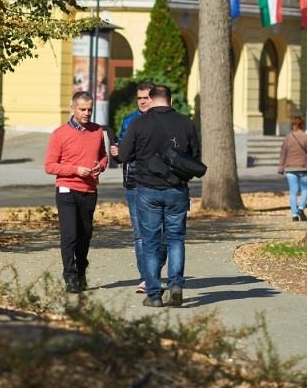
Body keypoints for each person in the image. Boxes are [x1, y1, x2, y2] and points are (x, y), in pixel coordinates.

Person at [117, 85, 200, 308]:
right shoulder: (186, 123)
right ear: (170, 101)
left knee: (151, 242)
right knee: (175, 239)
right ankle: (175, 283)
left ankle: (153, 294)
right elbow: (195, 158)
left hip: (147, 190)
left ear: (151, 101)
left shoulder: (139, 123)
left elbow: (124, 155)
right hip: (177, 189)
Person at [44, 91, 109, 293]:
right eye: (82, 109)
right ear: (73, 108)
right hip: (66, 190)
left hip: (89, 190)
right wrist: (75, 170)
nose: (87, 113)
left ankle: (81, 273)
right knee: (69, 235)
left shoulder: (97, 131)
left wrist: (101, 166)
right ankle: (70, 277)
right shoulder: (60, 134)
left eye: (90, 109)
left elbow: (104, 156)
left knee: (85, 235)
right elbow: (49, 166)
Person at [110, 81, 157, 294]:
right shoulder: (129, 120)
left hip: (157, 184)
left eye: (146, 97)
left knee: (159, 233)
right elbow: (122, 151)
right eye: (140, 98)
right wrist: (116, 151)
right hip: (134, 183)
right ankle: (146, 277)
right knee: (139, 233)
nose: (143, 101)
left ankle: (154, 272)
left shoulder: (162, 120)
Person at [277, 116, 307, 222]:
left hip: (291, 168)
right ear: (303, 125)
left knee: (293, 191)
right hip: (305, 168)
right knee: (305, 189)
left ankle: (294, 215)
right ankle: (301, 208)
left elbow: (283, 153)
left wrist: (281, 166)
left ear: (294, 125)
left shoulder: (288, 137)